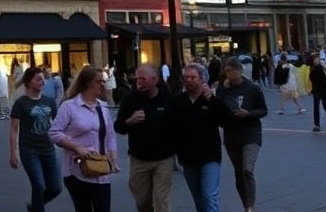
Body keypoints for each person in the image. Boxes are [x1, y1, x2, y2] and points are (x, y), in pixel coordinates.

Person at [49, 65, 118, 212]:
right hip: (78, 170)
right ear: (88, 83)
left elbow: (110, 136)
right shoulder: (69, 106)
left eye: (103, 81)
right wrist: (76, 147)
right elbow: (54, 132)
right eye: (99, 82)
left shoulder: (103, 107)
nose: (103, 85)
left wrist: (113, 159)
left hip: (101, 169)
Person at [167, 63, 232, 212]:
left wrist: (213, 100)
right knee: (199, 198)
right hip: (188, 158)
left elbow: (227, 120)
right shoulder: (178, 101)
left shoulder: (209, 99)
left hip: (210, 157)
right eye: (186, 77)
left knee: (209, 196)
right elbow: (170, 127)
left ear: (202, 78)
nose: (189, 80)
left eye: (193, 77)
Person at [113, 64, 173, 212]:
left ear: (154, 79)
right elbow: (118, 127)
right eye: (137, 78)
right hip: (139, 158)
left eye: (143, 79)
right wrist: (130, 121)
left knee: (161, 200)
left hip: (163, 158)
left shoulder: (167, 99)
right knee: (142, 202)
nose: (139, 82)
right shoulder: (130, 100)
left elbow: (178, 125)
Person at [216, 57, 268, 212]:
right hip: (231, 135)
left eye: (232, 70)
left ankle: (250, 206)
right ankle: (246, 205)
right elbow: (216, 106)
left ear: (240, 71)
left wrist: (249, 113)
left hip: (251, 133)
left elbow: (263, 110)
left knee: (247, 169)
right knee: (239, 172)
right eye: (227, 71)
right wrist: (223, 90)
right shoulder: (223, 88)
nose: (230, 74)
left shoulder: (252, 88)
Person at [9, 66, 62, 212]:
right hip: (29, 150)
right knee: (38, 185)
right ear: (28, 82)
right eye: (38, 80)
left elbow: (58, 123)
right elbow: (14, 129)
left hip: (48, 149)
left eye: (43, 79)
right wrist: (14, 152)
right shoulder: (21, 103)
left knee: (56, 188)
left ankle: (36, 207)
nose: (42, 82)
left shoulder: (49, 101)